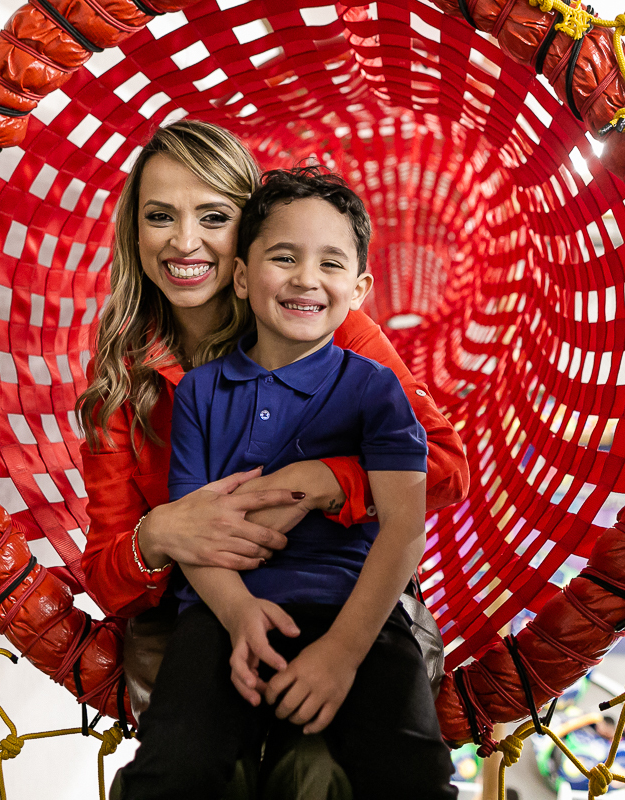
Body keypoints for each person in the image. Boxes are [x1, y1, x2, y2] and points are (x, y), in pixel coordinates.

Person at [114, 167, 457, 800]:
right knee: (172, 769)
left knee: (412, 773)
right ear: (243, 277)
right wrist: (238, 613)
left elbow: (406, 526)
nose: (305, 278)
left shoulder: (375, 388)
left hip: (354, 610)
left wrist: (344, 651)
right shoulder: (200, 394)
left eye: (330, 264)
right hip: (221, 612)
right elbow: (193, 531)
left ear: (359, 289)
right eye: (283, 258)